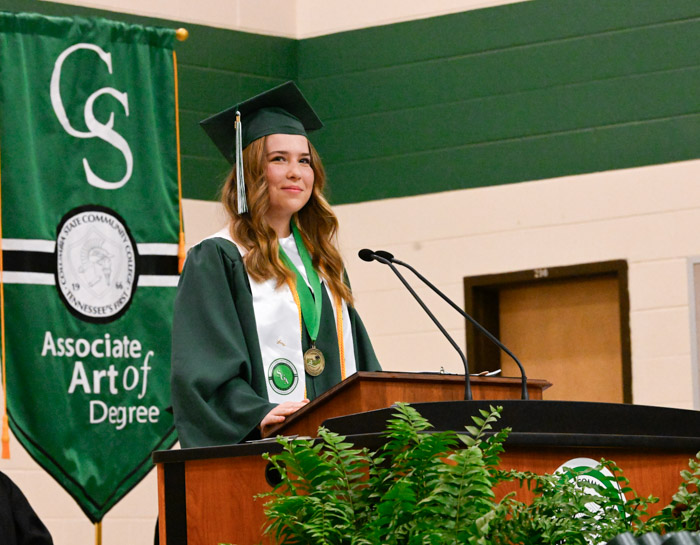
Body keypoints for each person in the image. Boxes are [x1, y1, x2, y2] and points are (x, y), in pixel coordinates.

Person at [170, 81, 381, 448]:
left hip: (339, 459)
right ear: (251, 170)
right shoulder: (219, 256)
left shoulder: (322, 263)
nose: (296, 172)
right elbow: (202, 369)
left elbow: (361, 366)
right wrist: (252, 413)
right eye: (278, 159)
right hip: (265, 457)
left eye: (304, 161)